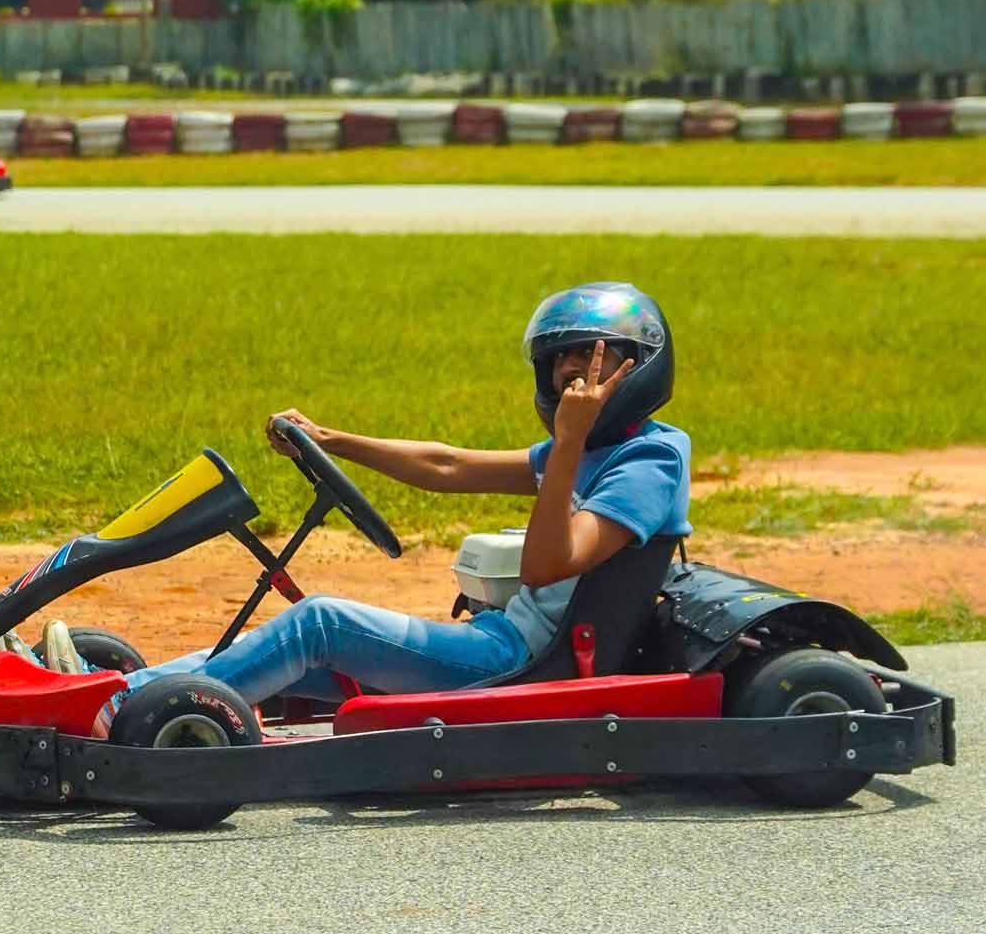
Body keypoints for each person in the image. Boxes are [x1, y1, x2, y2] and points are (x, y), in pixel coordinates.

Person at [109, 281, 691, 710]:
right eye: (561, 359)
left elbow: (545, 567)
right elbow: (447, 465)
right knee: (275, 657)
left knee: (320, 622)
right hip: (497, 642)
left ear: (636, 369)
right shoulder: (587, 450)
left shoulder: (648, 463)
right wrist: (330, 440)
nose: (572, 376)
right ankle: (107, 692)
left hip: (523, 667)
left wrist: (566, 442)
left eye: (591, 357)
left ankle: (126, 710)